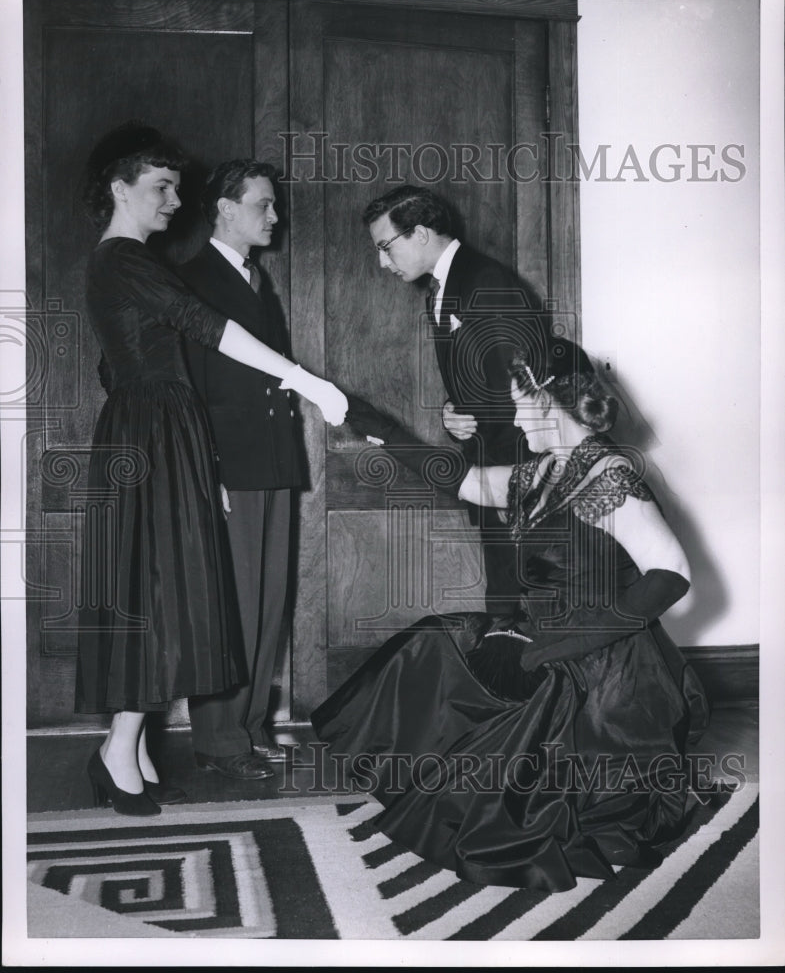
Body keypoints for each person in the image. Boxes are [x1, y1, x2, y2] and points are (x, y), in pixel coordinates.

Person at [311, 338, 710, 891]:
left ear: (552, 401)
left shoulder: (610, 475)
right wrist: (371, 421)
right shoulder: (543, 471)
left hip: (601, 663)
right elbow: (465, 480)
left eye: (521, 403)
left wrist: (557, 646)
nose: (514, 416)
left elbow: (669, 575)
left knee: (497, 781)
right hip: (537, 631)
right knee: (436, 641)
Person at [75, 122, 347, 816]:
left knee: (157, 588)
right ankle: (119, 747)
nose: (173, 200)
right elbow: (204, 325)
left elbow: (117, 364)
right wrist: (305, 381)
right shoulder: (122, 258)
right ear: (118, 189)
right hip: (159, 428)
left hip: (156, 426)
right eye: (159, 187)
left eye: (175, 187)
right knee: (161, 591)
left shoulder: (124, 263)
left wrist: (146, 412)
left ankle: (125, 743)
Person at [362, 185, 552, 616]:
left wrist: (519, 490)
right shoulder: (445, 286)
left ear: (422, 233)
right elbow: (487, 377)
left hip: (520, 475)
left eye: (386, 247)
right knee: (507, 602)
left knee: (520, 606)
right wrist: (455, 411)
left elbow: (530, 391)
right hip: (494, 469)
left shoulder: (486, 281)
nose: (381, 261)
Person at [179, 160, 304, 779]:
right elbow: (188, 387)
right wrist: (209, 470)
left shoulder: (258, 279)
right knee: (230, 605)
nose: (274, 217)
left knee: (268, 602)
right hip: (229, 467)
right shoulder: (191, 280)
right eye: (263, 205)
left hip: (275, 460)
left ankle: (251, 728)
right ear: (225, 209)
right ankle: (219, 742)